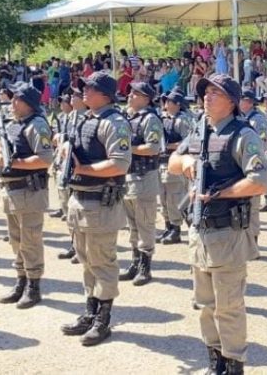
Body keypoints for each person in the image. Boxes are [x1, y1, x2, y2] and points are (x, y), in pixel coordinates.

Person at [169, 73, 267, 375]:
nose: (207, 97)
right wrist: (185, 163)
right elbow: (173, 161)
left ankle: (234, 361)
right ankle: (216, 360)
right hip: (200, 230)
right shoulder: (200, 131)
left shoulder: (243, 135)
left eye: (215, 93)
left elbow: (259, 181)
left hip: (228, 231)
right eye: (206, 92)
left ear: (232, 102)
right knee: (204, 303)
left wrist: (219, 194)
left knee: (228, 305)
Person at [60, 71, 131, 346]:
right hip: (80, 199)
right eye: (84, 89)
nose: (84, 93)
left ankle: (103, 319)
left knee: (102, 262)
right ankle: (90, 311)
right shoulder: (85, 119)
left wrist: (84, 168)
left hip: (101, 202)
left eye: (90, 89)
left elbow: (120, 163)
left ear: (106, 94)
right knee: (86, 260)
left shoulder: (114, 123)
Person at [0, 83, 54, 309]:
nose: (12, 103)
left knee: (30, 240)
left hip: (29, 190)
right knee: (16, 239)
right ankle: (21, 279)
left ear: (28, 103)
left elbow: (45, 159)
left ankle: (33, 285)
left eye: (16, 99)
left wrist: (13, 162)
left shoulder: (36, 126)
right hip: (12, 190)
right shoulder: (12, 125)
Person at [118, 82, 163, 287]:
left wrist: (128, 150)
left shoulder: (150, 119)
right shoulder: (127, 117)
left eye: (135, 93)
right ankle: (135, 262)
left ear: (146, 98)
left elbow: (153, 148)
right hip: (128, 177)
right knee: (132, 225)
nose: (130, 95)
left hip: (144, 177)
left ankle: (146, 266)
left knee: (145, 223)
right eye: (131, 91)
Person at [157, 89, 193, 245]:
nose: (166, 103)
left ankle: (176, 228)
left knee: (174, 197)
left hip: (174, 162)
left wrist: (168, 146)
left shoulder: (182, 120)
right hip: (161, 162)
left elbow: (189, 142)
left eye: (169, 101)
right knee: (163, 198)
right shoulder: (162, 118)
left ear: (177, 104)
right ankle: (168, 225)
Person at [56, 90, 87, 262]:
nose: (73, 98)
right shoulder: (69, 117)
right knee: (67, 210)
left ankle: (81, 247)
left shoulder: (86, 117)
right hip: (64, 165)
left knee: (77, 212)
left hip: (77, 169)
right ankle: (74, 244)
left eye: (76, 96)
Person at [239, 89, 267, 240]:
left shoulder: (257, 119)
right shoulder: (241, 117)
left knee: (253, 207)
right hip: (242, 164)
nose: (240, 102)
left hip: (254, 163)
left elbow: (261, 142)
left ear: (249, 102)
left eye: (242, 100)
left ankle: (253, 240)